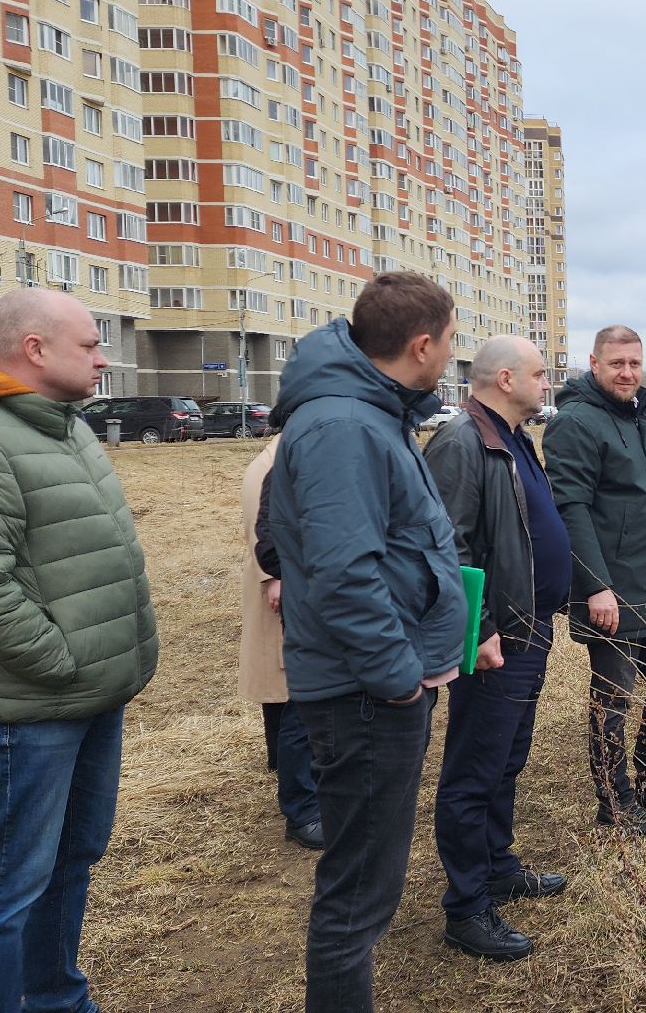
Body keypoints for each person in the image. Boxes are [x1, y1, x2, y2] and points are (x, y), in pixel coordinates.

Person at [0, 287, 158, 1013]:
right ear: (34, 348)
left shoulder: (64, 427)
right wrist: (64, 664)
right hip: (32, 708)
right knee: (6, 886)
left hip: (90, 697)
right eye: (90, 344)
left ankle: (55, 999)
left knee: (70, 863)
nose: (103, 357)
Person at [265, 272, 470, 1013]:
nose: (451, 356)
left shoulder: (369, 414)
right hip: (364, 692)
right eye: (450, 341)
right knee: (359, 892)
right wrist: (396, 678)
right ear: (422, 345)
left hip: (376, 683)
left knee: (367, 883)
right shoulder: (344, 427)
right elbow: (346, 573)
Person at [424, 336, 573, 961]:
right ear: (506, 378)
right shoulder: (463, 442)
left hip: (529, 624)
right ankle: (467, 906)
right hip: (499, 636)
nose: (548, 386)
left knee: (507, 756)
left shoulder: (512, 436)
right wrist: (479, 628)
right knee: (474, 767)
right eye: (541, 375)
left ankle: (498, 865)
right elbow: (445, 548)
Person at [544, 325, 646, 837]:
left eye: (634, 363)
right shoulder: (576, 423)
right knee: (613, 697)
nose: (627, 373)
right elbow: (570, 508)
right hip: (612, 589)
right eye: (616, 364)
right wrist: (593, 586)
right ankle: (615, 804)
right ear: (594, 363)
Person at [239, 435, 322, 850]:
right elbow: (264, 532)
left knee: (289, 701)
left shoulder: (282, 457)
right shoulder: (273, 465)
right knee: (294, 704)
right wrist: (275, 578)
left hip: (291, 595)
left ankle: (298, 788)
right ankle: (301, 808)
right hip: (284, 599)